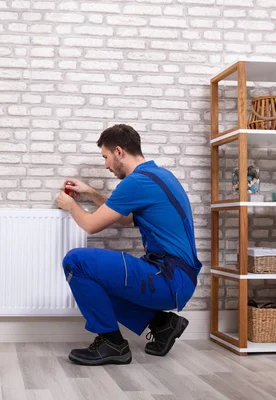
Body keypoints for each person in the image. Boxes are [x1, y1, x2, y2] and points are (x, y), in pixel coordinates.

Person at [56, 124, 202, 366]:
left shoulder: (136, 182)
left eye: (105, 157)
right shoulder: (158, 175)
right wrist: (92, 193)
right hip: (178, 278)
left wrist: (71, 206)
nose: (106, 165)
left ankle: (112, 342)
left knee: (75, 262)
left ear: (119, 152)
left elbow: (92, 225)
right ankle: (162, 324)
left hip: (169, 278)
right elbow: (126, 218)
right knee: (100, 279)